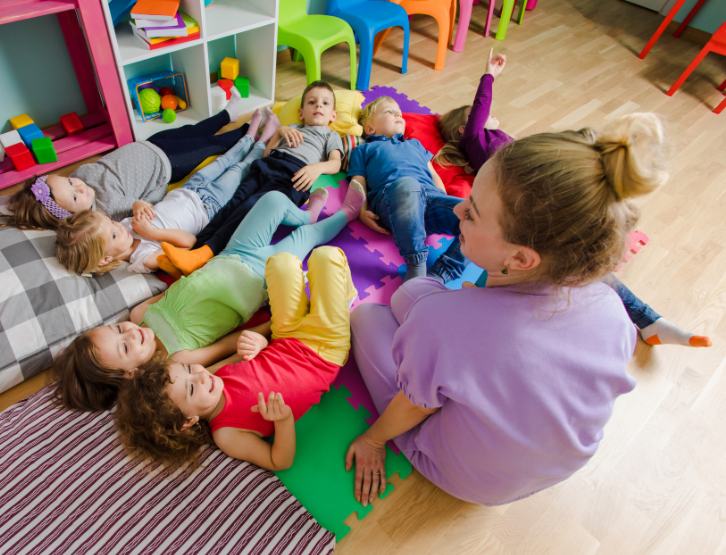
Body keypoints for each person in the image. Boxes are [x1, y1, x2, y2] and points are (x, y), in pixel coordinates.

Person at [345, 113, 672, 508]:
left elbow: (416, 403)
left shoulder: (444, 323)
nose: (460, 209)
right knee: (416, 301)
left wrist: (372, 440)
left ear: (520, 258)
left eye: (474, 211)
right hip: (547, 471)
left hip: (469, 477)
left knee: (368, 314)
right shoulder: (613, 310)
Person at [434, 50, 710, 347]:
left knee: (560, 256)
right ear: (465, 127)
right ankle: (648, 319)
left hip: (538, 196)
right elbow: (480, 107)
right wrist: (488, 75)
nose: (488, 116)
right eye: (478, 117)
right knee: (492, 239)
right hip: (526, 198)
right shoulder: (473, 137)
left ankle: (649, 319)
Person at [52, 188, 365, 412]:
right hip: (257, 282)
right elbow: (229, 346)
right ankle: (346, 213)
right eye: (125, 346)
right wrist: (271, 327)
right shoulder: (176, 362)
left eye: (117, 330)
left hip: (232, 255)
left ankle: (304, 214)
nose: (130, 333)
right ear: (130, 373)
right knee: (306, 240)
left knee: (272, 199)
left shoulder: (137, 315)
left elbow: (182, 285)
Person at [115, 246, 356, 472]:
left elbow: (247, 354)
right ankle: (344, 299)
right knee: (327, 256)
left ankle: (322, 304)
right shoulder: (227, 435)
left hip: (285, 337)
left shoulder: (212, 376)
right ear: (187, 421)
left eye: (189, 368)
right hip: (324, 351)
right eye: (190, 387)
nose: (200, 374)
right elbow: (278, 461)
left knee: (280, 263)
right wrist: (283, 421)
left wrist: (258, 343)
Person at [0, 91, 273, 230]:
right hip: (168, 164)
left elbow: (104, 164)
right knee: (210, 144)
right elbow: (148, 202)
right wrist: (162, 182)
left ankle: (226, 115)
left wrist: (71, 183)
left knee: (191, 130)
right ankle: (246, 133)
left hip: (150, 144)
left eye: (70, 180)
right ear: (72, 216)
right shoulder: (108, 209)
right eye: (75, 196)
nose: (79, 185)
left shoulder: (83, 176)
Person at [160, 80, 345, 276]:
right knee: (233, 205)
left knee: (250, 208)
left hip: (292, 177)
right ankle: (193, 251)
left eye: (325, 103)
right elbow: (267, 153)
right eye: (312, 102)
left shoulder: (330, 135)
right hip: (266, 166)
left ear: (333, 115)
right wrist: (280, 132)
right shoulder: (291, 127)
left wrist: (316, 169)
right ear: (301, 112)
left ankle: (205, 253)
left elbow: (335, 163)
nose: (318, 106)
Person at [53, 123, 277, 276]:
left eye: (112, 223)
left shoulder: (123, 228)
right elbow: (188, 242)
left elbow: (144, 205)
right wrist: (152, 234)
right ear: (104, 259)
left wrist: (139, 204)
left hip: (188, 190)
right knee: (240, 170)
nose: (118, 227)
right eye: (113, 233)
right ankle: (262, 142)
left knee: (224, 160)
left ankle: (250, 134)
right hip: (208, 207)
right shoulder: (144, 260)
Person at [348, 96, 467, 282]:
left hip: (430, 199)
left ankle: (441, 273)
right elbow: (358, 182)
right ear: (370, 128)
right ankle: (416, 263)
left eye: (399, 113)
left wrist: (443, 200)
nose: (398, 114)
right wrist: (361, 211)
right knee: (407, 184)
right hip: (394, 201)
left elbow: (433, 174)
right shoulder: (364, 150)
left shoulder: (415, 144)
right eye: (389, 112)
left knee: (476, 214)